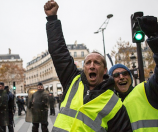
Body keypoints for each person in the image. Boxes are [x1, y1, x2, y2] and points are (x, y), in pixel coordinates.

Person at [44, 1, 132, 131]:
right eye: (88, 62)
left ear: (105, 70)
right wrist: (52, 19)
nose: (91, 66)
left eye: (97, 63)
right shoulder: (73, 80)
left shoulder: (115, 105)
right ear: (83, 67)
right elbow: (59, 52)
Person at [108, 16, 158, 131]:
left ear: (130, 77)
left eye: (125, 73)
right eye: (116, 75)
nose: (121, 77)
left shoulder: (146, 91)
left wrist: (155, 37)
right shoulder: (108, 103)